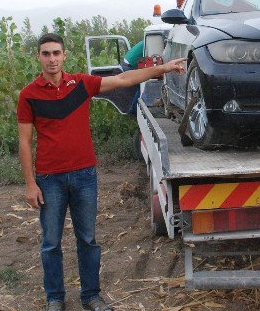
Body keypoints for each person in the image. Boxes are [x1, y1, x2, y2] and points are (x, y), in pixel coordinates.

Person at [17, 33, 186, 311]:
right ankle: (55, 299)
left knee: (87, 239)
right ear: (38, 57)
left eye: (56, 53)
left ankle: (91, 297)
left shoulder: (81, 84)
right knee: (50, 242)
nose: (51, 59)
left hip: (84, 175)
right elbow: (24, 142)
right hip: (49, 179)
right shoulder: (29, 95)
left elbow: (122, 80)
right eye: (46, 54)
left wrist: (162, 69)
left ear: (64, 56)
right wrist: (30, 184)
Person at [120, 40, 144, 116]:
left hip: (126, 64)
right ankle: (134, 111)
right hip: (129, 67)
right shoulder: (152, 43)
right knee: (142, 88)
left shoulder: (146, 41)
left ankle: (134, 109)